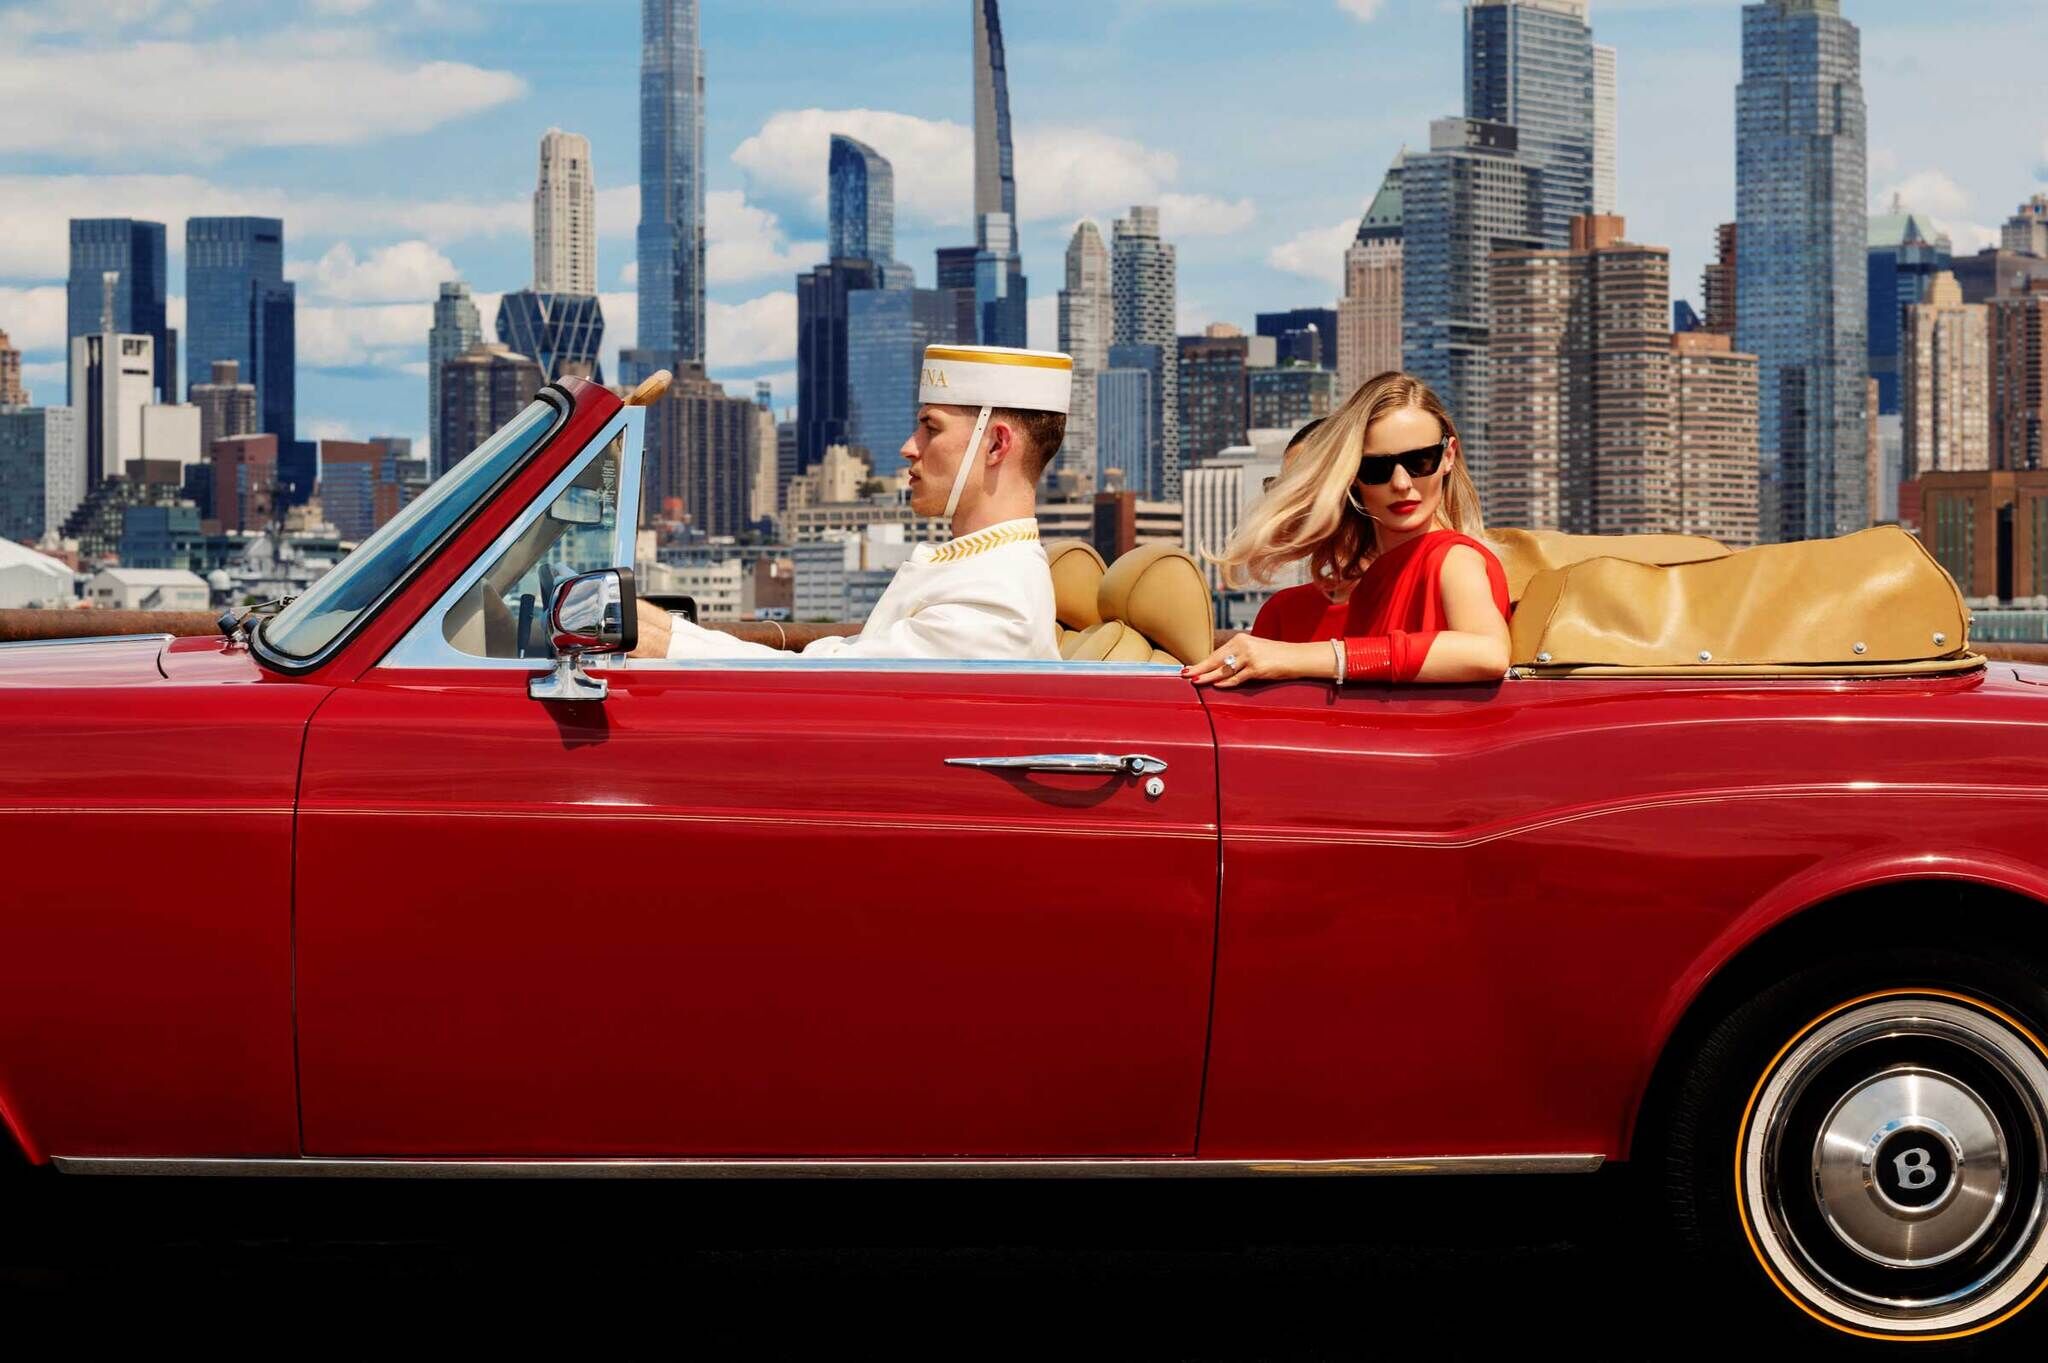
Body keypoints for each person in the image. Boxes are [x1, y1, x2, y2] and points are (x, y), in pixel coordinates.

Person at [632, 344, 1071, 662]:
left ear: (995, 445)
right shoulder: (978, 570)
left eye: (930, 429)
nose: (908, 447)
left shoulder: (994, 602)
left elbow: (825, 689)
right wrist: (660, 628)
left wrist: (666, 643)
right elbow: (838, 660)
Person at [1188, 371, 1510, 687]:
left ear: (1448, 456)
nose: (1401, 483)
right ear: (1351, 476)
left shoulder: (1453, 558)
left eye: (1420, 460)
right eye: (1375, 468)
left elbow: (1488, 653)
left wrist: (1295, 657)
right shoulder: (1377, 582)